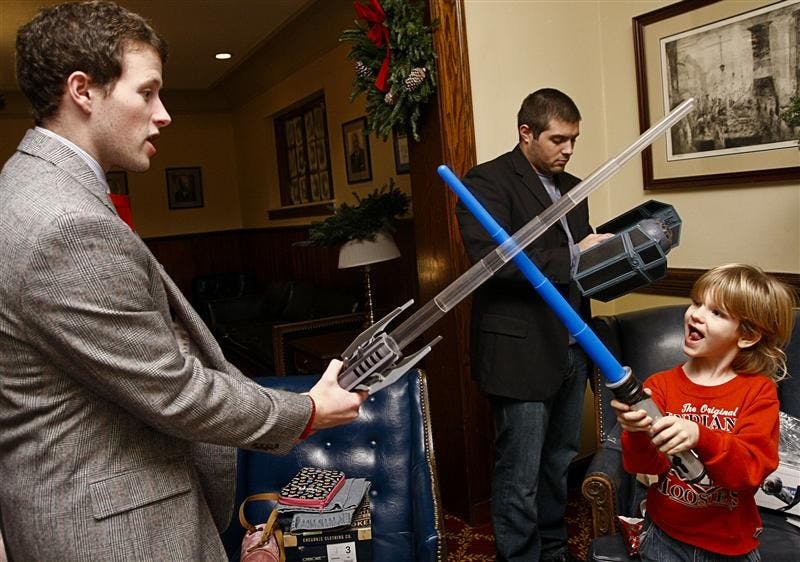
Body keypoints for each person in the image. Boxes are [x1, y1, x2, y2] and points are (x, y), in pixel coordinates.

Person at [0, 2, 365, 560]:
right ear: (83, 90)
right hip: (113, 530)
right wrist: (307, 411)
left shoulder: (27, 185)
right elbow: (173, 391)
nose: (164, 113)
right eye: (146, 92)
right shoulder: (66, 224)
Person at [456, 88, 612, 562]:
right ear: (526, 134)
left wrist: (620, 256)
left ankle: (554, 550)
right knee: (519, 473)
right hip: (519, 351)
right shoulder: (486, 182)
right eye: (559, 139)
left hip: (572, 345)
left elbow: (580, 264)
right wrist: (576, 254)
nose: (568, 150)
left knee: (558, 463)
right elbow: (494, 262)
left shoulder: (573, 187)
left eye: (574, 140)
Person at [611, 263, 796, 562]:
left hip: (730, 545)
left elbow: (750, 471)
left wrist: (700, 435)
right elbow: (643, 465)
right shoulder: (660, 385)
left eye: (717, 313)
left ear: (747, 336)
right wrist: (635, 432)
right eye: (697, 302)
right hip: (663, 538)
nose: (696, 314)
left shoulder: (758, 392)